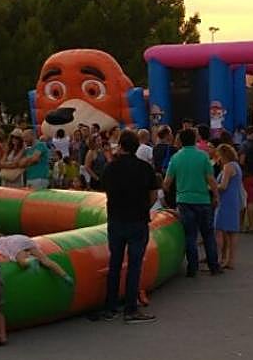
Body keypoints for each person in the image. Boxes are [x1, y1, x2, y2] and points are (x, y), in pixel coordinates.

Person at [95, 129, 160, 323]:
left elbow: (103, 190)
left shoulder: (110, 168)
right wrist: (143, 208)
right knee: (134, 265)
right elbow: (154, 195)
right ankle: (131, 309)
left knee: (115, 263)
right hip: (138, 220)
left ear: (120, 146)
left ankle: (111, 307)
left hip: (116, 220)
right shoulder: (145, 168)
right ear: (137, 147)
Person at [164, 127, 222, 278]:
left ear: (181, 141)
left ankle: (192, 268)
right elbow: (210, 179)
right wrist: (216, 195)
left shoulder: (176, 158)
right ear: (195, 139)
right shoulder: (203, 156)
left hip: (184, 200)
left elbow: (167, 182)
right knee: (208, 234)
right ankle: (214, 266)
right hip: (202, 199)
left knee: (190, 235)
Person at [0, 232, 73, 282]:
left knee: (22, 263)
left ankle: (31, 261)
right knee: (46, 260)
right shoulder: (5, 237)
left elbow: (1, 252)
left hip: (16, 244)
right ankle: (65, 275)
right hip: (23, 239)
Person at [213, 143, 244, 270]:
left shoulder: (227, 167)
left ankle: (220, 257)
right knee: (232, 231)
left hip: (225, 201)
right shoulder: (236, 166)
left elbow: (223, 185)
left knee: (219, 229)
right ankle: (230, 259)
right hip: (234, 200)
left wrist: (212, 187)